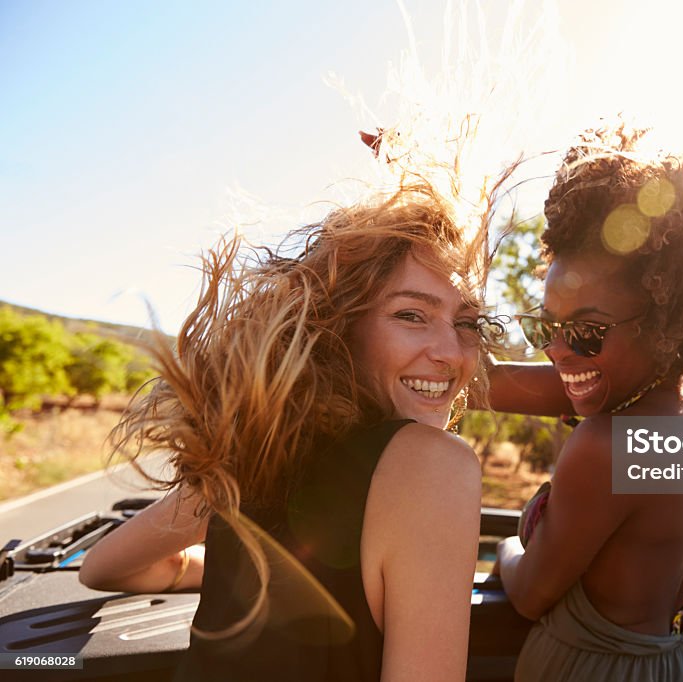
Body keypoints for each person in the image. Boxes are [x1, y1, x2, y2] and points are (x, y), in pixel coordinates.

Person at [79, 182, 498, 682]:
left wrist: (250, 574)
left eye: (469, 323)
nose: (452, 353)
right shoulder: (435, 464)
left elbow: (103, 567)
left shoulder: (257, 450)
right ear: (340, 325)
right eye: (411, 315)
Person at [489, 122, 683, 681]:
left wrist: (505, 548)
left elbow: (527, 594)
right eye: (545, 327)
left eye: (585, 332)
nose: (556, 351)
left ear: (663, 323)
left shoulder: (606, 443)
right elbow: (516, 384)